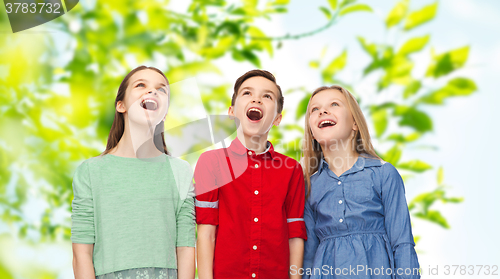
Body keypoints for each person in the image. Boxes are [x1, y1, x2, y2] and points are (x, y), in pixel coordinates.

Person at [71, 66, 196, 279]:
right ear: (121, 105)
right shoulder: (90, 171)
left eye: (161, 89)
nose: (152, 92)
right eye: (141, 85)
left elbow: (185, 249)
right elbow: (81, 253)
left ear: (165, 111)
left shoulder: (181, 172)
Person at [195, 69, 307, 279]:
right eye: (247, 93)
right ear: (231, 112)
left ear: (277, 119)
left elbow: (295, 234)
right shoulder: (211, 163)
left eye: (267, 96)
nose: (257, 98)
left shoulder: (291, 169)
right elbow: (206, 233)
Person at [301, 85, 420, 279]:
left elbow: (402, 243)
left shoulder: (383, 174)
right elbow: (308, 256)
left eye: (334, 104)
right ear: (312, 132)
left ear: (355, 123)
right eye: (315, 109)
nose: (322, 111)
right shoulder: (308, 187)